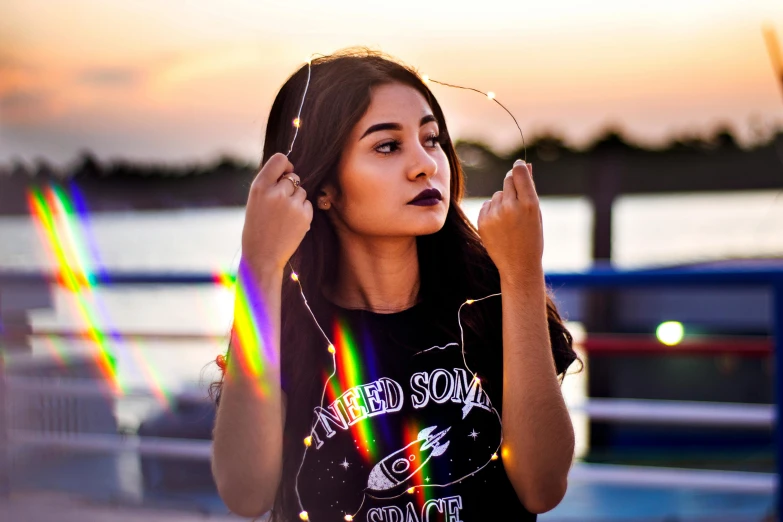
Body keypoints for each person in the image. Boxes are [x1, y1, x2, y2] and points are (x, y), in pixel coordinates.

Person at [210, 47, 579, 522]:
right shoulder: (288, 323)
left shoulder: (489, 298)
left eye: (432, 139)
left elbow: (542, 487)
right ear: (321, 187)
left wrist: (523, 274)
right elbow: (245, 495)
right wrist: (259, 265)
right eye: (388, 146)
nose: (426, 164)